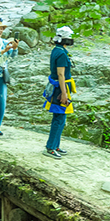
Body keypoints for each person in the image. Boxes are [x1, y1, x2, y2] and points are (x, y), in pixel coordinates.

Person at [43, 26, 75, 159]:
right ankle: (50, 147)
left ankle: (55, 145)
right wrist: (64, 94)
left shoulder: (57, 50)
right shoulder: (61, 54)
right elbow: (61, 74)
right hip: (59, 89)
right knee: (59, 118)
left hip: (58, 87)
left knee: (60, 118)